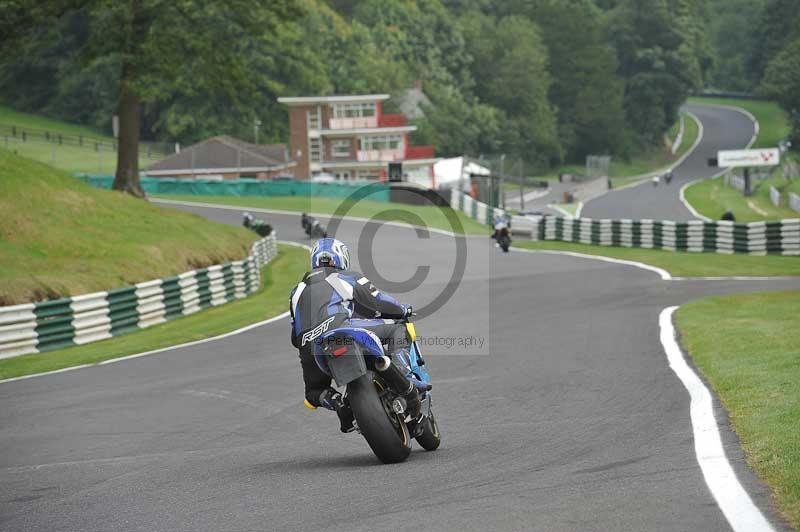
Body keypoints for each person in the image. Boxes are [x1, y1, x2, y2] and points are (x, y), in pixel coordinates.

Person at [289, 238, 420, 432]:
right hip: (342, 330)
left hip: (310, 347)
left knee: (314, 392)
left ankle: (338, 404)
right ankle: (404, 374)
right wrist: (402, 309)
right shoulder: (343, 277)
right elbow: (378, 301)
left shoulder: (296, 291)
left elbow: (294, 335)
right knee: (397, 329)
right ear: (341, 258)